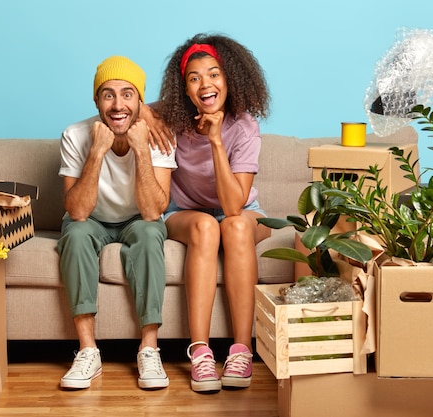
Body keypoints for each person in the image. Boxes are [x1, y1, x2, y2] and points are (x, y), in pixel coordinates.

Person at [156, 33, 272, 393]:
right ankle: (201, 352)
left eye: (214, 74)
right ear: (184, 90)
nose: (205, 83)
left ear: (230, 79)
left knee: (234, 226)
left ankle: (242, 350)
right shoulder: (172, 119)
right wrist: (149, 114)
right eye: (194, 78)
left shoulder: (245, 126)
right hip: (186, 212)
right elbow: (133, 108)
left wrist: (216, 139)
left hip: (241, 209)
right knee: (207, 227)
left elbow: (234, 205)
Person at [57, 56, 177, 390]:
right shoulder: (75, 134)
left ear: (141, 101)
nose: (118, 104)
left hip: (138, 218)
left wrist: (141, 151)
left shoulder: (159, 137)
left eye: (127, 94)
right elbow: (77, 211)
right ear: (96, 100)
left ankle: (149, 348)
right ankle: (88, 351)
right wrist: (96, 152)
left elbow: (154, 211)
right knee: (76, 234)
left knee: (151, 232)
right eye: (108, 94)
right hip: (92, 218)